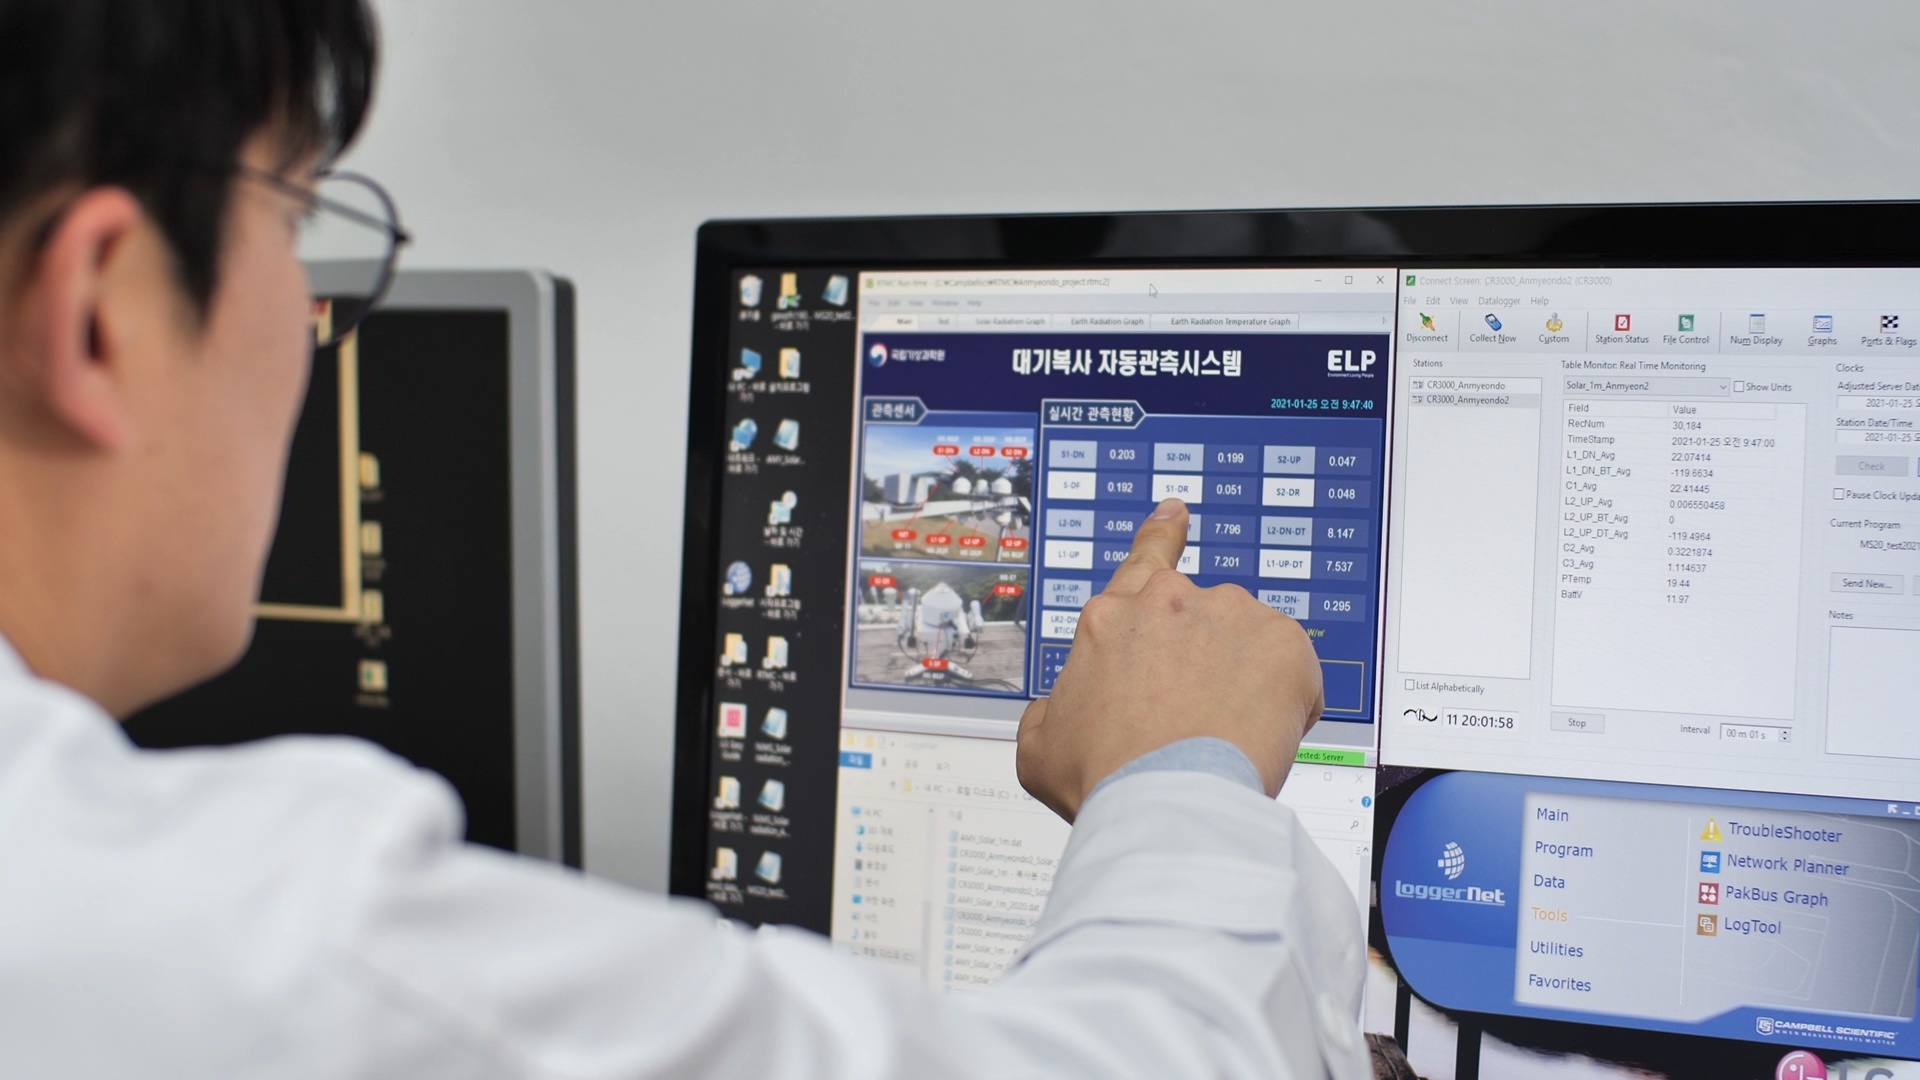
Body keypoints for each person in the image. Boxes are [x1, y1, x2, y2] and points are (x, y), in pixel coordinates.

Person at [0, 1, 1366, 1076]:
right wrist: (1177, 770)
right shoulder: (273, 948)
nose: (308, 321)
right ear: (100, 313)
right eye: (299, 228)